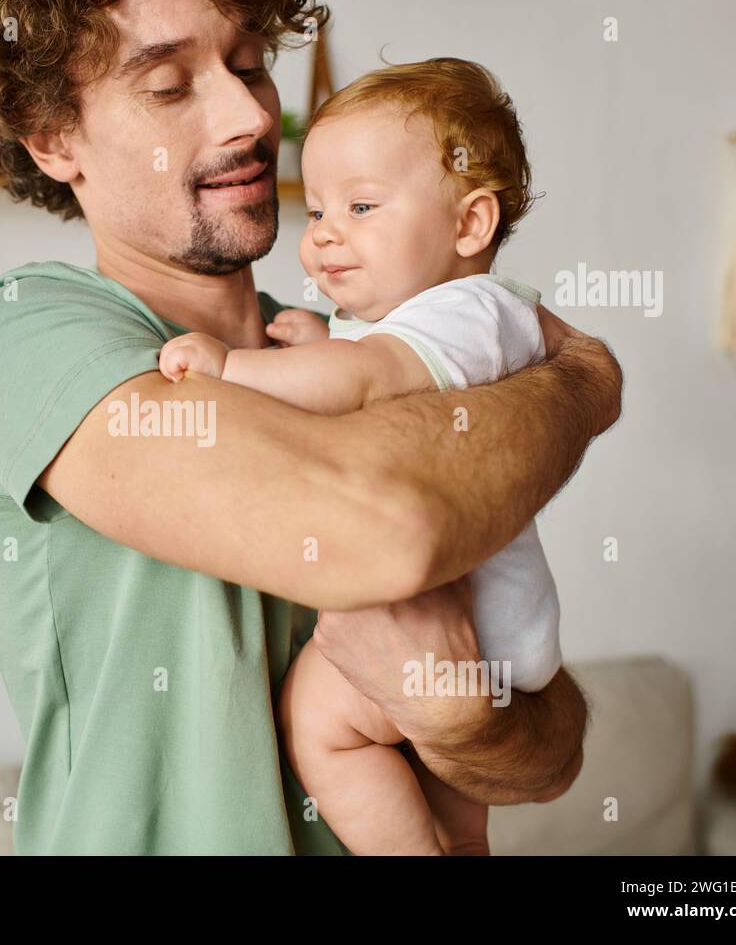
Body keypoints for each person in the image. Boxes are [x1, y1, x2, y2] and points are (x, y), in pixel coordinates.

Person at [0, 0, 622, 854]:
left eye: (250, 65)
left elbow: (550, 757)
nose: (251, 117)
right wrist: (580, 381)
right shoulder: (28, 330)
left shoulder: (339, 345)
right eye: (168, 85)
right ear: (52, 137)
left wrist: (461, 718)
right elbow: (385, 532)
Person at [158, 57, 563, 855]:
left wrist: (233, 369)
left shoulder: (470, 311)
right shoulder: (452, 318)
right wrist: (326, 336)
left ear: (470, 225)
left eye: (362, 206)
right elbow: (375, 360)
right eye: (316, 212)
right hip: (493, 626)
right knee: (449, 797)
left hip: (456, 622)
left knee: (320, 724)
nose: (326, 233)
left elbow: (371, 377)